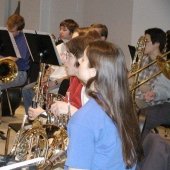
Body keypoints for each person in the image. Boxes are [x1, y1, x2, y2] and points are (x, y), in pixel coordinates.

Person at [64, 40, 142, 170]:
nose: (78, 62)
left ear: (93, 72)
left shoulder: (83, 120)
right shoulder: (123, 106)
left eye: (83, 60)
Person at [28, 34, 100, 120]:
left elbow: (86, 123)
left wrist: (43, 114)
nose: (62, 59)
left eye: (68, 55)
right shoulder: (75, 79)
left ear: (79, 58)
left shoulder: (89, 87)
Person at [130, 28, 170, 140]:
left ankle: (135, 145)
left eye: (146, 41)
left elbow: (153, 89)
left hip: (149, 101)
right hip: (139, 96)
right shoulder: (143, 60)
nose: (144, 45)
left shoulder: (163, 64)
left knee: (131, 109)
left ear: (156, 43)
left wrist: (135, 81)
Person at [0, 14, 30, 91]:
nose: (9, 32)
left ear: (19, 30)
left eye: (12, 31)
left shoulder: (23, 40)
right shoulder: (5, 36)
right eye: (8, 30)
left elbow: (13, 59)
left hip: (19, 73)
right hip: (3, 70)